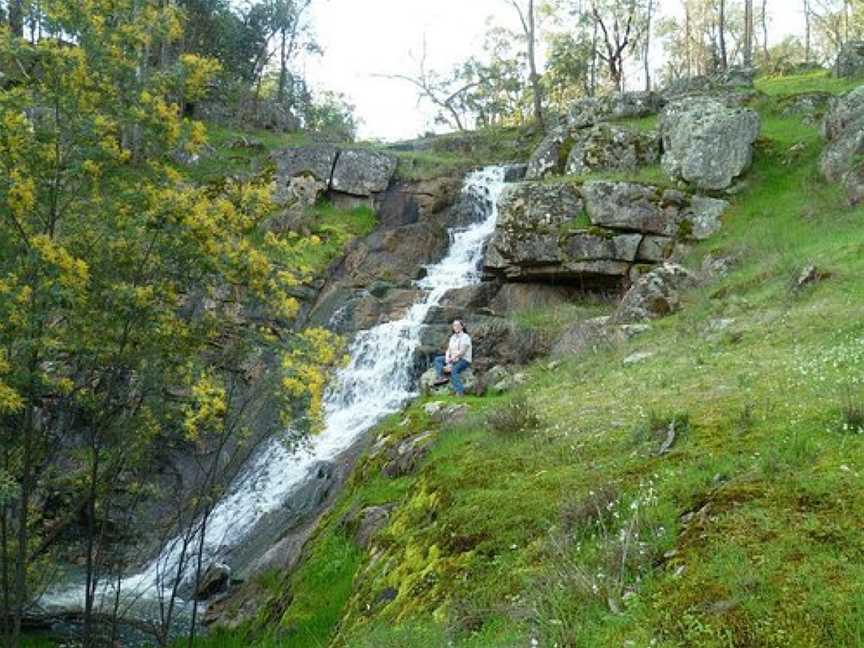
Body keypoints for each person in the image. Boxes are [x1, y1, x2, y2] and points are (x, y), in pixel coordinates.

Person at [433, 319, 473, 396]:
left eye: (458, 325)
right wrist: (447, 357)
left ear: (462, 327)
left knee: (454, 370)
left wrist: (451, 361)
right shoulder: (453, 337)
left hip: (464, 359)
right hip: (452, 358)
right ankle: (442, 377)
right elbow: (448, 350)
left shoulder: (466, 337)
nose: (456, 327)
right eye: (454, 325)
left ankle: (460, 392)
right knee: (437, 359)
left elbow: (462, 352)